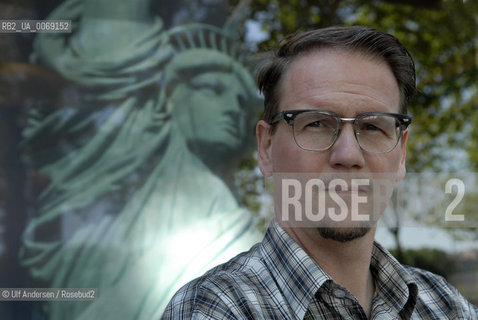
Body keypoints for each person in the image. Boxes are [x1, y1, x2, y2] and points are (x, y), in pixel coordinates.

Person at [161, 26, 478, 319]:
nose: (349, 155)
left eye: (372, 127)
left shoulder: (445, 305)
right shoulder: (215, 308)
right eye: (316, 123)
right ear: (266, 147)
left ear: (401, 153)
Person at [20, 0, 262, 318]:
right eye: (213, 89)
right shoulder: (126, 151)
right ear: (167, 99)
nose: (232, 107)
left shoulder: (228, 211)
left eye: (241, 100)